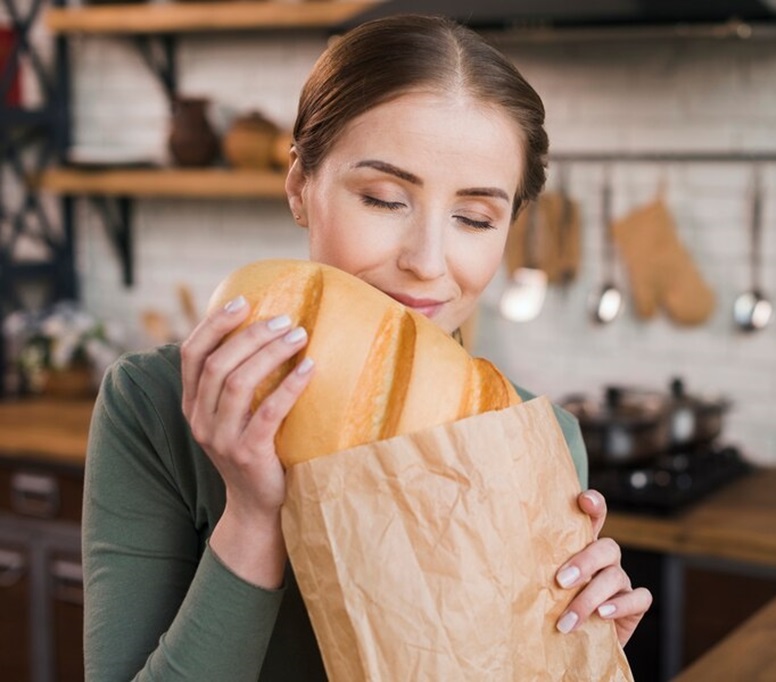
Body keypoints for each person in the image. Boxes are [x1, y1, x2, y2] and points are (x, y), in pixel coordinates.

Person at [83, 13, 652, 680]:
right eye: (383, 199)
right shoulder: (154, 404)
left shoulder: (538, 436)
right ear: (301, 187)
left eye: (474, 218)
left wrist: (573, 649)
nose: (428, 260)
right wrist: (254, 517)